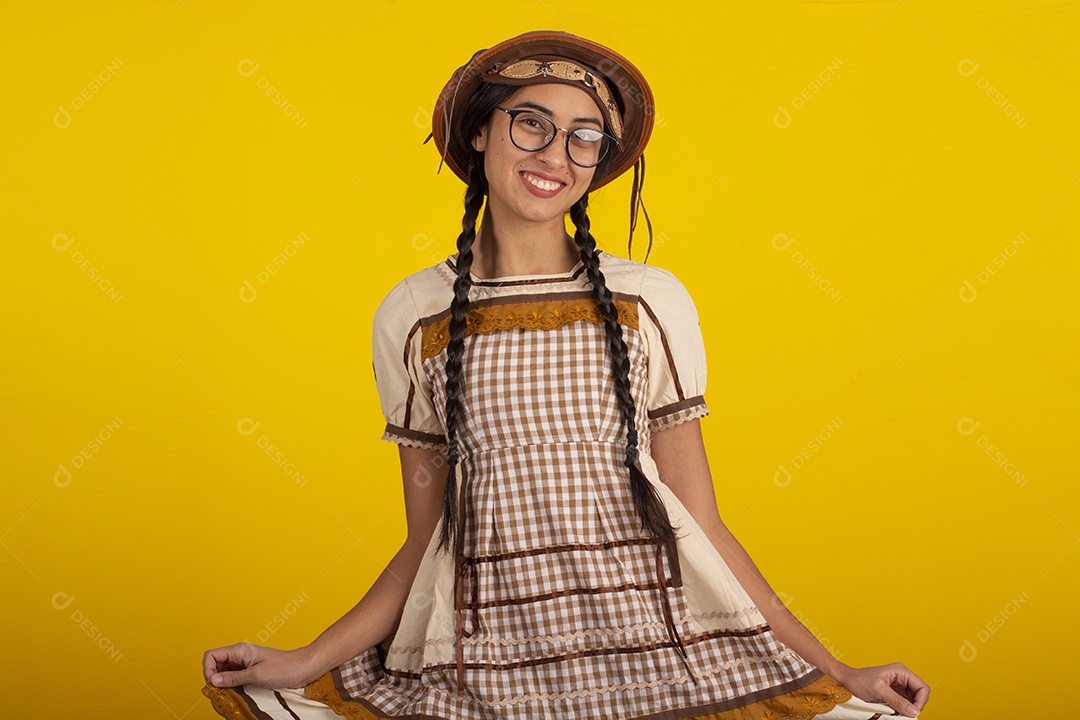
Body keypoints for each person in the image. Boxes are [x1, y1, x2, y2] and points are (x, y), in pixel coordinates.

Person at [201, 30, 931, 720]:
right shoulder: (413, 315)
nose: (556, 153)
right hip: (484, 671)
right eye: (532, 123)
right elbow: (424, 546)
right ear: (480, 131)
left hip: (658, 655)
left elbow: (703, 524)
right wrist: (302, 661)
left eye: (585, 136)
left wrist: (836, 669)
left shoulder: (649, 301)